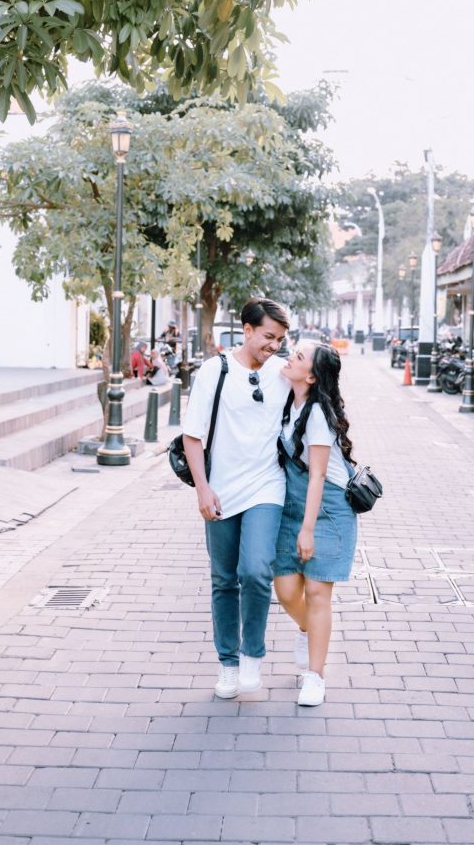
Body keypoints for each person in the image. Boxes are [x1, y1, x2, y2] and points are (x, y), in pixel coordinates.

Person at [182, 297, 291, 699]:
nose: (274, 346)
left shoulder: (284, 372)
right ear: (247, 330)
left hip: (267, 486)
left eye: (280, 339)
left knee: (257, 571)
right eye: (268, 336)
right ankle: (227, 663)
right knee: (224, 579)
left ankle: (252, 654)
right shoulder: (215, 371)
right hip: (222, 490)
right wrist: (203, 488)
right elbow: (193, 436)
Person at [273, 341, 357, 706]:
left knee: (318, 592)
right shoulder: (287, 400)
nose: (290, 357)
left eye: (299, 357)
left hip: (328, 510)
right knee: (286, 590)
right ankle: (309, 629)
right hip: (292, 505)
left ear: (311, 376)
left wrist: (307, 529)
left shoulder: (318, 414)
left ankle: (315, 676)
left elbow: (319, 476)